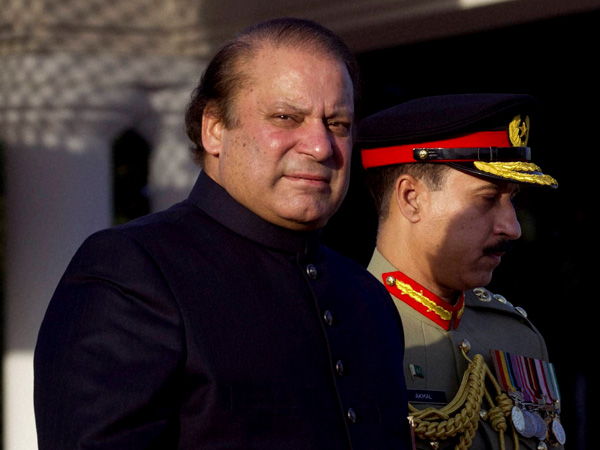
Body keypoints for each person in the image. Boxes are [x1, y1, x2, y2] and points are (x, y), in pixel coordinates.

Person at [34, 18, 412, 449]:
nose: (321, 146)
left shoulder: (367, 298)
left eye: (338, 124)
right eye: (286, 117)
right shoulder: (133, 271)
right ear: (214, 129)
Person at [358, 93, 565, 450]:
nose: (512, 227)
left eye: (512, 199)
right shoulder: (345, 332)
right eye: (487, 198)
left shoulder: (517, 337)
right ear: (411, 198)